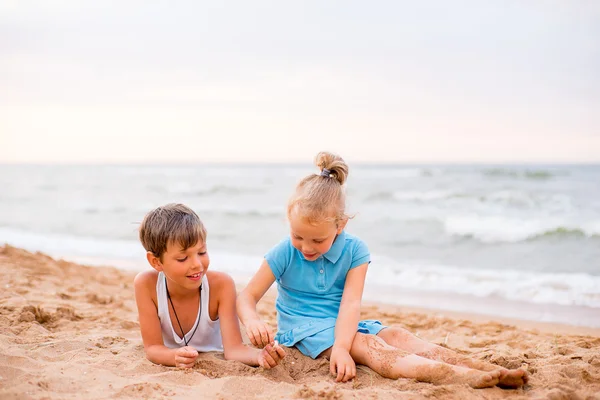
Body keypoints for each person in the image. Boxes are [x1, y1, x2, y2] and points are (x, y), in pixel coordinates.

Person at [236, 151, 528, 388]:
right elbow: (247, 296)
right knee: (368, 345)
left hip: (343, 323)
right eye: (297, 236)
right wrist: (252, 321)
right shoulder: (285, 252)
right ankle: (457, 377)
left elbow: (351, 303)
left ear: (341, 225)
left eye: (317, 240)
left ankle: (485, 368)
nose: (306, 247)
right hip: (304, 331)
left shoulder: (355, 250)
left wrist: (340, 345)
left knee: (398, 335)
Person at [134, 203, 285, 369]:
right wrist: (173, 356)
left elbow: (234, 350)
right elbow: (152, 348)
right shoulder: (146, 285)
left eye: (202, 252)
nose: (197, 264)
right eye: (183, 258)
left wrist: (259, 356)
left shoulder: (221, 285)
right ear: (156, 261)